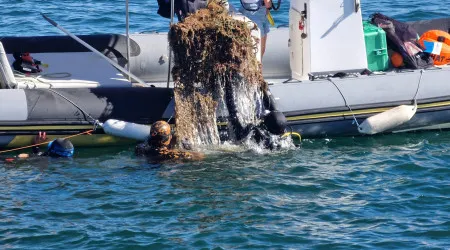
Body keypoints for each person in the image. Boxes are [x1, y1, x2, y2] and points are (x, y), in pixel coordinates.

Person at [135, 121, 204, 162]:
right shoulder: (172, 154)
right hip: (167, 167)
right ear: (168, 138)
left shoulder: (141, 148)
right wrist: (187, 145)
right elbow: (200, 156)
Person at [2, 132, 74, 162]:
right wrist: (36, 144)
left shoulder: (41, 157)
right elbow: (39, 153)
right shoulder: (63, 159)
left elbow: (37, 155)